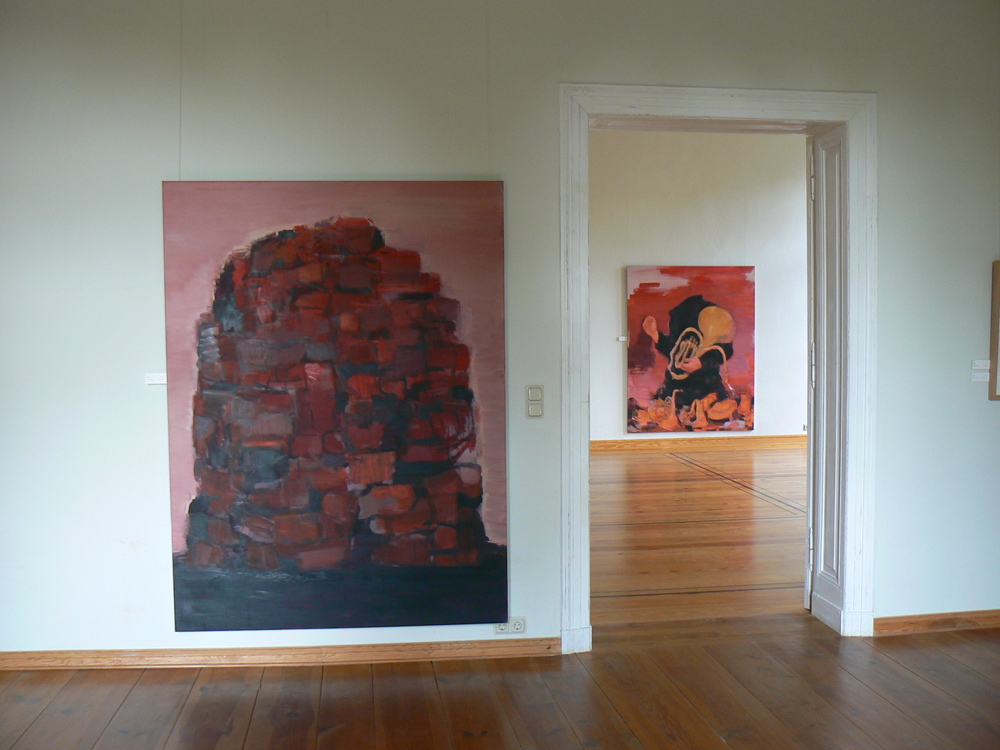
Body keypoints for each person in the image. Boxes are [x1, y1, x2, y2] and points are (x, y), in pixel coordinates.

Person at [642, 294, 735, 411]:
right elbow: (674, 350)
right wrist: (655, 335)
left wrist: (701, 363)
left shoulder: (712, 319)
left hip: (705, 388)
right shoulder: (682, 322)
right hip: (676, 389)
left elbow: (724, 352)